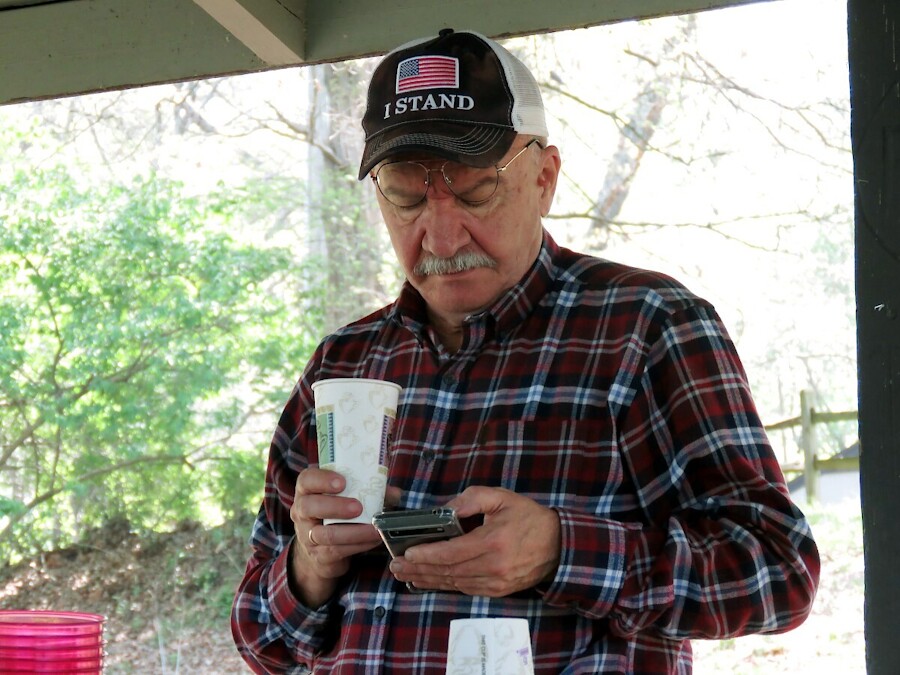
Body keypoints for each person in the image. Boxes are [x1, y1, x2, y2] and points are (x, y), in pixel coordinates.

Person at [231, 28, 820, 674]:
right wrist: (307, 567)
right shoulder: (343, 363)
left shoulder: (646, 327)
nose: (442, 234)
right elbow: (259, 641)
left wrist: (561, 552)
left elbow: (780, 573)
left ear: (544, 178)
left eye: (476, 189)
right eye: (405, 194)